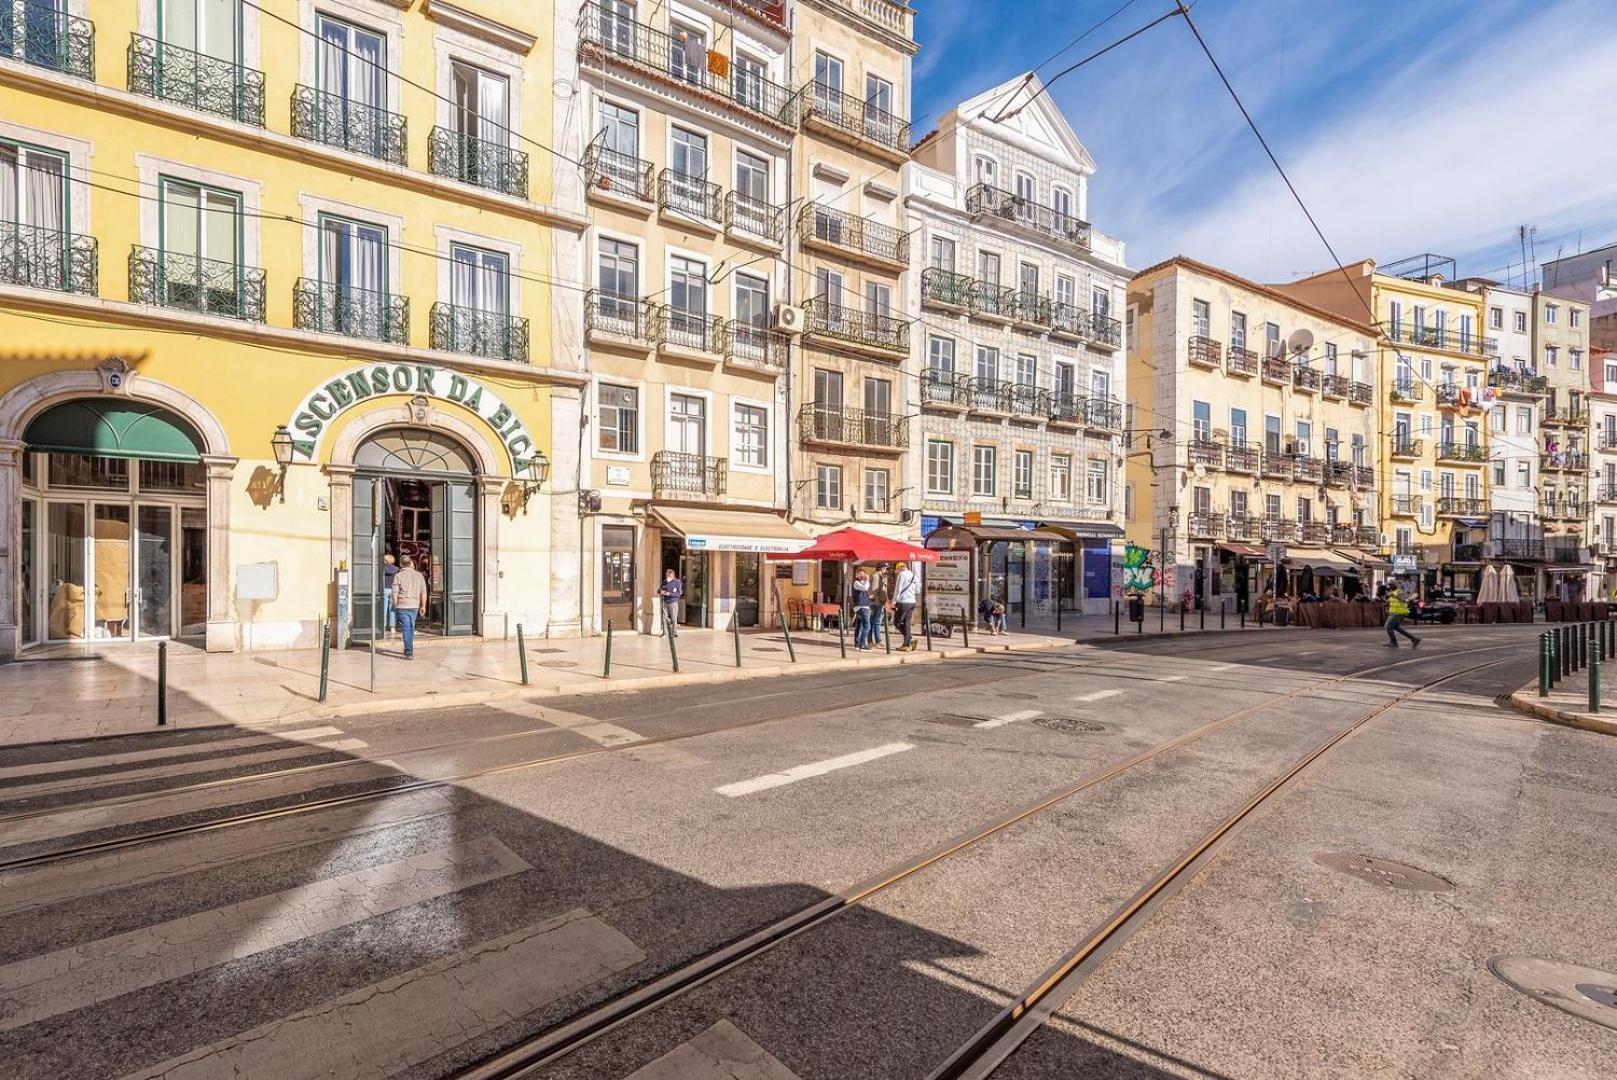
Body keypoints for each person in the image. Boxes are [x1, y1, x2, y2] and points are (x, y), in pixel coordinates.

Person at [391, 555, 428, 659]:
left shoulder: (398, 576)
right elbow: (423, 592)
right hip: (414, 605)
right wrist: (423, 606)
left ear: (401, 564)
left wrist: (395, 604)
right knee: (411, 627)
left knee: (406, 628)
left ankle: (408, 651)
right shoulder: (419, 575)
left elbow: (395, 593)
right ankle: (408, 648)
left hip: (402, 605)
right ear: (411, 563)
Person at [1384, 583, 1421, 649]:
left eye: (1391, 585)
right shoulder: (1393, 592)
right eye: (1389, 585)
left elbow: (1403, 600)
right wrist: (1386, 601)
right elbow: (1392, 600)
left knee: (1388, 626)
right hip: (1395, 612)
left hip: (1399, 612)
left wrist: (1393, 596)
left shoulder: (1399, 591)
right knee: (1395, 627)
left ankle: (1393, 643)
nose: (1389, 586)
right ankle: (1414, 639)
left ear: (1395, 585)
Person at [893, 561, 920, 651]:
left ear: (900, 568)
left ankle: (908, 641)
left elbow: (898, 589)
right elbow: (917, 590)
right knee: (907, 623)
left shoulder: (902, 575)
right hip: (912, 602)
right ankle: (907, 643)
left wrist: (894, 601)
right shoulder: (913, 575)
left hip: (903, 602)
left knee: (897, 622)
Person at [851, 568, 874, 650]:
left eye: (863, 574)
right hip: (862, 607)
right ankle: (862, 644)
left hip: (863, 606)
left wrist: (869, 597)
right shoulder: (856, 583)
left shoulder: (862, 583)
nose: (861, 575)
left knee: (859, 626)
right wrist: (867, 580)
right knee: (867, 626)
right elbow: (864, 588)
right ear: (856, 575)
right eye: (859, 573)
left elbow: (864, 591)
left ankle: (857, 644)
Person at [657, 568, 683, 638]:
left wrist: (670, 594)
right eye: (667, 576)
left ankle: (674, 632)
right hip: (665, 602)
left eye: (669, 576)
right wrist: (661, 591)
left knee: (674, 618)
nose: (668, 578)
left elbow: (680, 592)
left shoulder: (677, 582)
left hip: (673, 602)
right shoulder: (664, 582)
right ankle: (665, 633)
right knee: (664, 618)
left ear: (673, 576)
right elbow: (659, 590)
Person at [381, 553, 398, 639]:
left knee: (384, 609)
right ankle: (392, 627)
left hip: (384, 589)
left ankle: (383, 626)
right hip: (393, 590)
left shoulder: (382, 568)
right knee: (392, 609)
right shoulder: (396, 569)